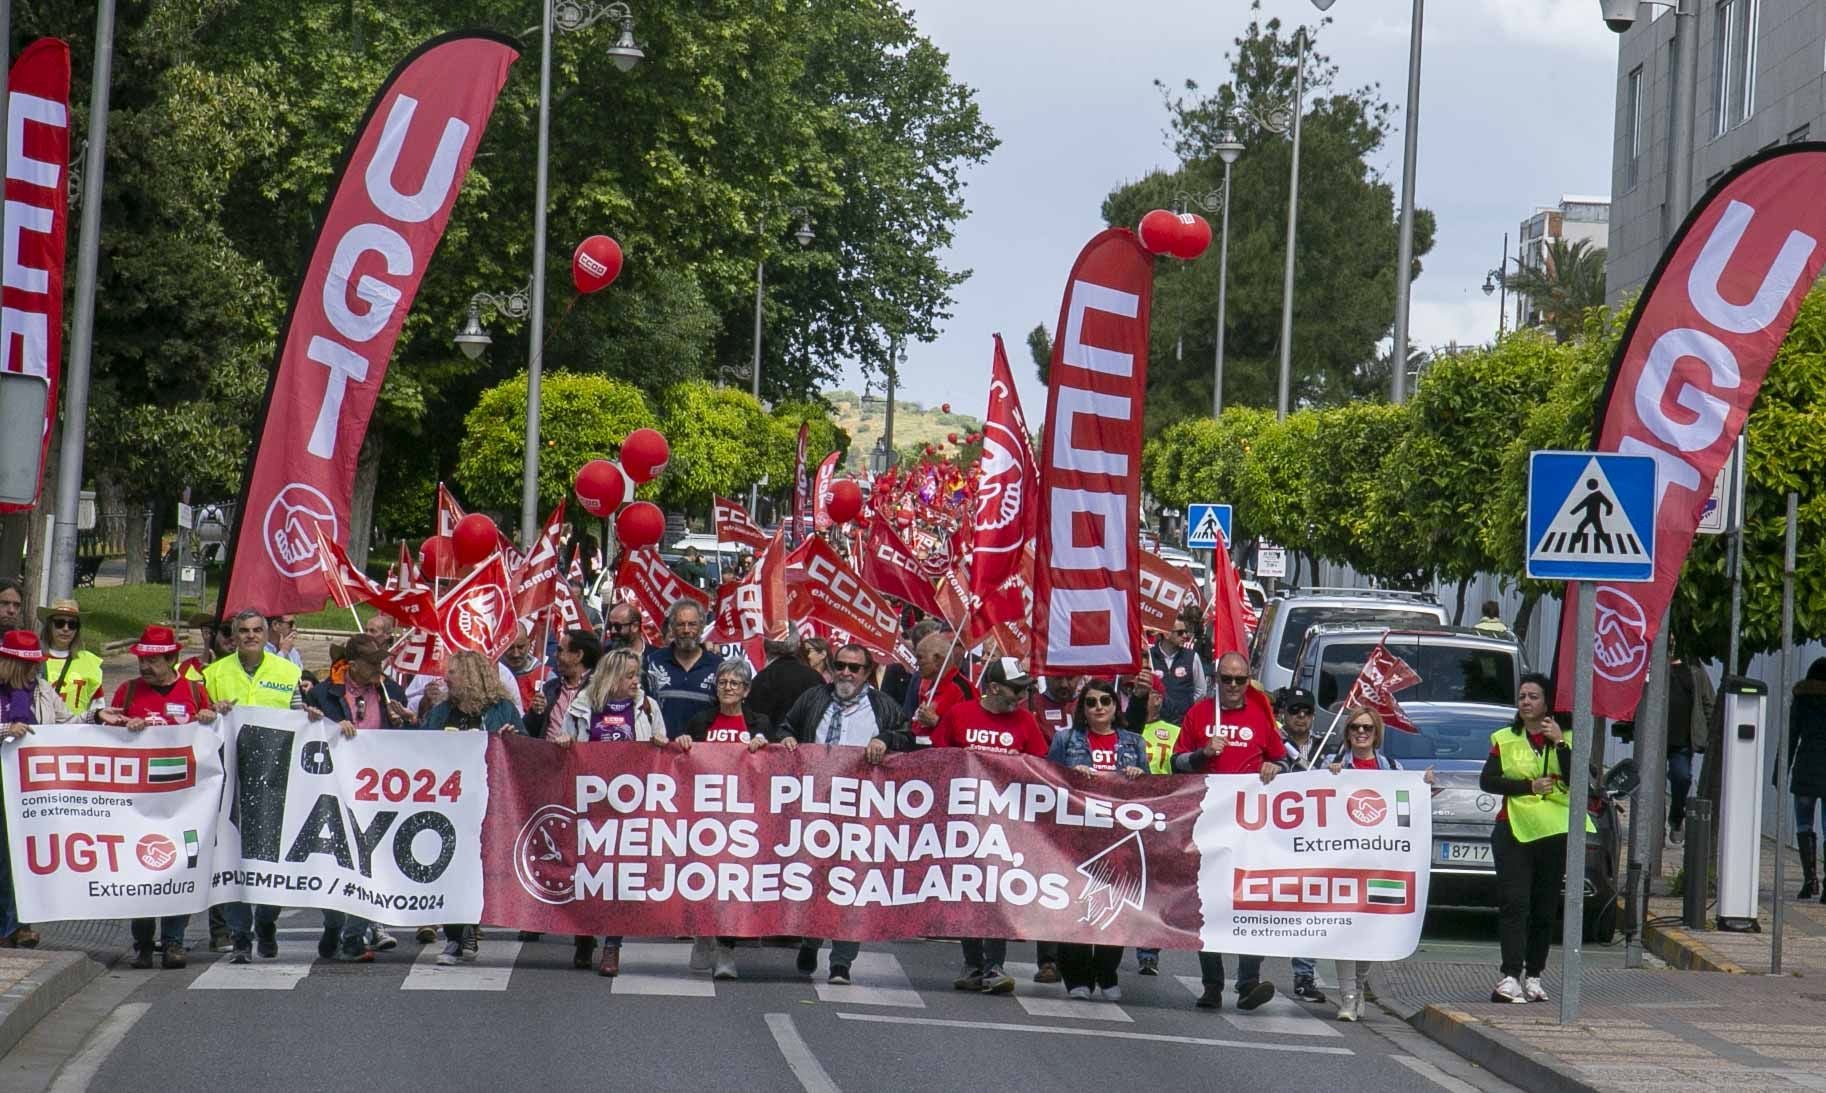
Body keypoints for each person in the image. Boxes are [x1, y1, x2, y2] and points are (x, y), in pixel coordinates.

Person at [778, 644, 913, 983]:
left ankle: (842, 961)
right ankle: (810, 938)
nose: (847, 673)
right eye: (841, 665)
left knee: (851, 883)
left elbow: (907, 738)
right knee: (813, 879)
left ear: (868, 673)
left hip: (860, 811)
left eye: (855, 667)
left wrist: (886, 738)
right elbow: (786, 727)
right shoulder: (813, 699)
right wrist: (787, 741)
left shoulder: (882, 707)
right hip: (814, 808)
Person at [916, 658, 1049, 996]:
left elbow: (1041, 769)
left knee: (996, 895)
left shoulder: (1026, 722)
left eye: (1024, 689)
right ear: (993, 687)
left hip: (1005, 824)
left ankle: (994, 966)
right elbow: (937, 759)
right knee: (969, 891)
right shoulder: (960, 714)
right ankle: (973, 963)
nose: (1021, 696)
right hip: (963, 821)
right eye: (1016, 689)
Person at [1170, 651, 1285, 1011]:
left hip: (1251, 827)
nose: (1234, 686)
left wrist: (1272, 766)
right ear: (1216, 680)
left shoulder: (1260, 713)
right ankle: (1212, 984)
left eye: (1240, 680)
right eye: (1227, 679)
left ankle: (1249, 981)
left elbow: (1283, 759)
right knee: (1210, 903)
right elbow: (1176, 762)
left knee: (1252, 902)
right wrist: (1204, 753)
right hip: (1209, 824)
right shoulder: (1199, 714)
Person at [104, 625, 219, 968]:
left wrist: (210, 719)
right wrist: (122, 727)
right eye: (141, 659)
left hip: (186, 804)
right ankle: (142, 943)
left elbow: (214, 737)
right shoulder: (126, 692)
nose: (144, 666)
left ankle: (173, 942)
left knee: (179, 871)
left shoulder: (195, 693)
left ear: (172, 659)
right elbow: (106, 737)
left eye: (153, 660)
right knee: (140, 873)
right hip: (138, 804)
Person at [1479, 672, 1592, 1004]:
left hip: (1554, 831)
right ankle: (1510, 975)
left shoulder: (1568, 736)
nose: (1526, 702)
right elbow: (1488, 781)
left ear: (1548, 703)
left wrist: (1559, 741)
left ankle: (1535, 975)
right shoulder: (1505, 737)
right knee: (1515, 902)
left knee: (1544, 908)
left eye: (1534, 696)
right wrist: (1527, 787)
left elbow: (1577, 779)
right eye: (1522, 696)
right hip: (1514, 829)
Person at [205, 609, 311, 964]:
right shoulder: (213, 674)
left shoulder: (287, 672)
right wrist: (211, 711)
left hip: (274, 784)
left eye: (256, 630)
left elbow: (300, 719)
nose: (250, 636)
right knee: (232, 860)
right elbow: (199, 719)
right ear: (233, 636)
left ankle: (267, 921)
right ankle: (240, 937)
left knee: (269, 864)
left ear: (268, 634)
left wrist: (312, 718)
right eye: (243, 631)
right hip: (228, 784)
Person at [554, 648, 669, 974]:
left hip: (628, 807)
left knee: (619, 876)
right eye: (630, 675)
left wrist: (661, 743)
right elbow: (567, 742)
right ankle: (584, 934)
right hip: (589, 803)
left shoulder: (647, 708)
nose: (636, 681)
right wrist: (564, 741)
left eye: (638, 675)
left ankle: (612, 946)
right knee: (586, 872)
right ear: (613, 677)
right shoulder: (582, 706)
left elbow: (663, 744)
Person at [308, 633, 416, 960]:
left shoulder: (390, 692)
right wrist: (326, 724)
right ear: (352, 664)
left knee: (369, 865)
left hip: (377, 791)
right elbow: (306, 732)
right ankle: (333, 923)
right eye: (371, 664)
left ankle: (354, 936)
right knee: (336, 865)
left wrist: (406, 722)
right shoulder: (324, 693)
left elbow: (411, 745)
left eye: (381, 663)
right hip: (335, 789)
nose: (378, 670)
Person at [1324, 707, 1435, 1020]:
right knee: (1344, 930)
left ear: (1376, 734)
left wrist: (1422, 784)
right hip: (1342, 862)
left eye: (1367, 729)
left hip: (1381, 863)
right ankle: (1346, 998)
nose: (1361, 733)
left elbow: (1406, 807)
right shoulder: (1333, 767)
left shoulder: (1392, 768)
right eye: (1356, 728)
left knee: (1370, 931)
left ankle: (1358, 987)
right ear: (1347, 732)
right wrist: (1326, 776)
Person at [1, 630, 109, 949]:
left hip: (29, 791)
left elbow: (65, 724)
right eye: (30, 665)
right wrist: (6, 729)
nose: (37, 670)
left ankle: (17, 925)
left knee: (22, 858)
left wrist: (95, 716)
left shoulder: (42, 691)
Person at [1046, 678, 1148, 1000]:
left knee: (1116, 909)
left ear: (1116, 706)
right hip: (1076, 838)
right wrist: (1070, 776)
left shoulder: (1134, 743)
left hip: (1118, 840)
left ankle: (1107, 974)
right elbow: (1044, 780)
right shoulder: (1066, 740)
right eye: (1091, 702)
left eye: (1105, 701)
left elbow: (1147, 793)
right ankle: (1077, 978)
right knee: (1074, 907)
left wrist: (1138, 776)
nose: (1099, 707)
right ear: (1083, 708)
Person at [677, 658, 777, 980]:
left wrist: (764, 746)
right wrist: (684, 744)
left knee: (733, 884)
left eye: (735, 683)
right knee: (704, 878)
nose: (728, 688)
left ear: (746, 690)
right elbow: (683, 758)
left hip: (742, 818)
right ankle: (703, 934)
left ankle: (726, 950)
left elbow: (773, 763)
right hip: (705, 815)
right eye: (723, 682)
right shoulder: (701, 721)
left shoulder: (759, 722)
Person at [422, 650, 522, 966]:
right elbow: (419, 746)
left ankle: (471, 922)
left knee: (478, 872)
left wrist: (512, 740)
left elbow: (527, 752)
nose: (446, 677)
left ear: (470, 675)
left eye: (452, 671)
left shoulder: (502, 710)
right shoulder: (442, 712)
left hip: (490, 803)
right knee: (451, 868)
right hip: (450, 804)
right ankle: (454, 937)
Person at [1274, 687, 1327, 1004]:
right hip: (1274, 837)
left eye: (1306, 711)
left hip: (1314, 840)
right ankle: (1249, 976)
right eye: (1295, 711)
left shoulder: (1327, 746)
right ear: (1284, 714)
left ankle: (1304, 975)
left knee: (1310, 908)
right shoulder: (1273, 744)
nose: (1301, 717)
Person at [1133, 672, 1180, 977]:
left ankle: (1148, 949)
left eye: (1147, 693)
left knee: (1153, 886)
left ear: (1159, 699)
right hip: (1128, 811)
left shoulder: (1172, 733)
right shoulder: (1128, 728)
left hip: (1161, 815)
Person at [643, 599, 722, 736]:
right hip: (661, 751)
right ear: (672, 628)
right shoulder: (652, 663)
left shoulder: (719, 666)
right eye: (680, 625)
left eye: (692, 624)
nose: (686, 630)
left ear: (702, 626)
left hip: (704, 753)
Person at [1787, 658, 1826, 901]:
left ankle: (1809, 880)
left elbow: (1791, 734)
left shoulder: (1802, 699)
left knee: (1804, 824)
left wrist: (1779, 770)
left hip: (1805, 766)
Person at [1664, 656, 1713, 845]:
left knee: (1682, 777)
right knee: (1651, 784)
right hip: (1656, 740)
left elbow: (1708, 701)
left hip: (1683, 740)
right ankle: (1653, 828)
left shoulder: (1694, 669)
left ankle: (1676, 818)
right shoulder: (1653, 662)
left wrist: (1709, 732)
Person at [525, 629, 600, 741]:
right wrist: (535, 713)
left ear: (578, 655)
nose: (555, 655)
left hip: (583, 756)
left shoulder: (599, 690)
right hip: (548, 756)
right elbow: (529, 733)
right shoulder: (549, 688)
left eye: (560, 650)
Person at [38, 599, 103, 715]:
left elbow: (98, 705)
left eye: (72, 625)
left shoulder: (90, 662)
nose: (66, 629)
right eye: (59, 623)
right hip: (41, 730)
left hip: (77, 731)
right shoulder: (35, 658)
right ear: (49, 626)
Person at [906, 629, 974, 739]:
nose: (917, 663)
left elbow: (970, 733)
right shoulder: (925, 683)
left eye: (920, 657)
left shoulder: (962, 688)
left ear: (937, 659)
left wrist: (937, 722)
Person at [749, 631, 824, 730]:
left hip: (770, 741)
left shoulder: (761, 678)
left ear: (766, 646)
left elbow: (752, 717)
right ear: (798, 645)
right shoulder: (815, 677)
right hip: (807, 742)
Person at [1148, 622, 1206, 724]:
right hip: (1154, 721)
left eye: (1185, 632)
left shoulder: (1192, 657)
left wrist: (1187, 707)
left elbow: (1201, 690)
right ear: (1166, 634)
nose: (1185, 636)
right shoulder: (1149, 656)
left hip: (1182, 722)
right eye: (1180, 632)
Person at [1029, 673, 1080, 744]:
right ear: (1046, 676)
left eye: (1070, 678)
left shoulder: (1090, 703)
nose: (1063, 684)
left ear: (1080, 677)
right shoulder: (1030, 706)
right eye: (1057, 677)